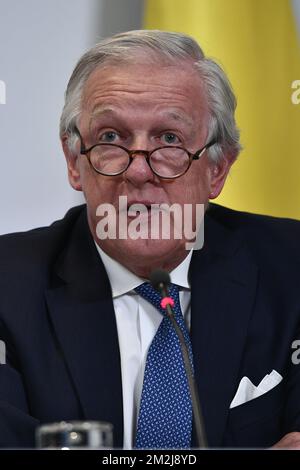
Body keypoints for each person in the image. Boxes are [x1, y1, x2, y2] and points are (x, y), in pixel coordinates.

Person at [0, 29, 300, 450]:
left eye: (170, 140)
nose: (138, 171)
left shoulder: (292, 267)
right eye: (110, 138)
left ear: (217, 169)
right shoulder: (7, 288)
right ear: (73, 162)